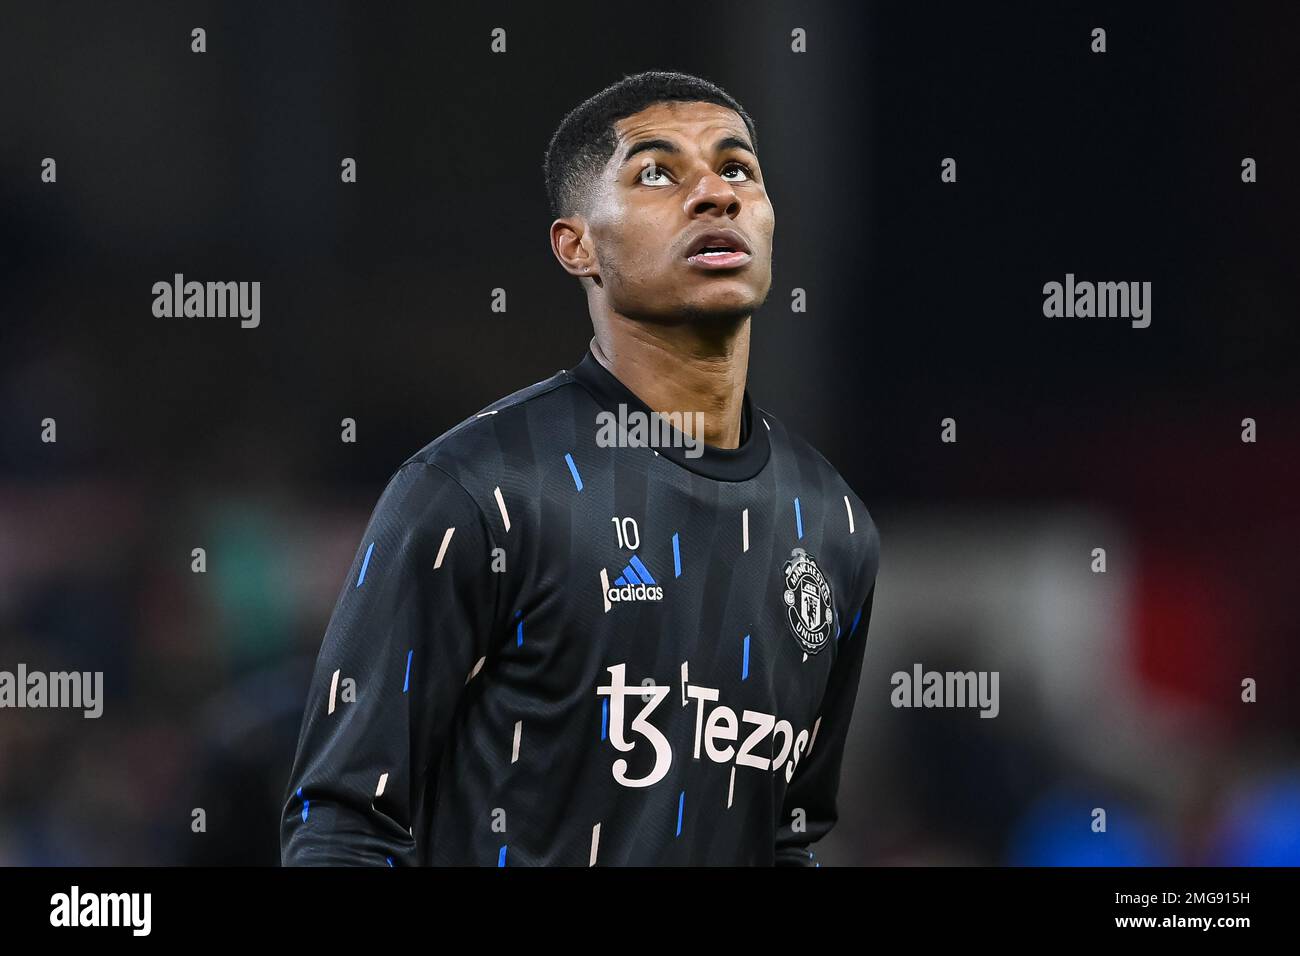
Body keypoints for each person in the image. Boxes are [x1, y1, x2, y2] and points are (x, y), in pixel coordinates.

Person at [280, 70, 880, 866]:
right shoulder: (476, 490)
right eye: (657, 173)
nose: (715, 194)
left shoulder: (834, 526)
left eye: (737, 168)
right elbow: (343, 826)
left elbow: (787, 840)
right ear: (577, 246)